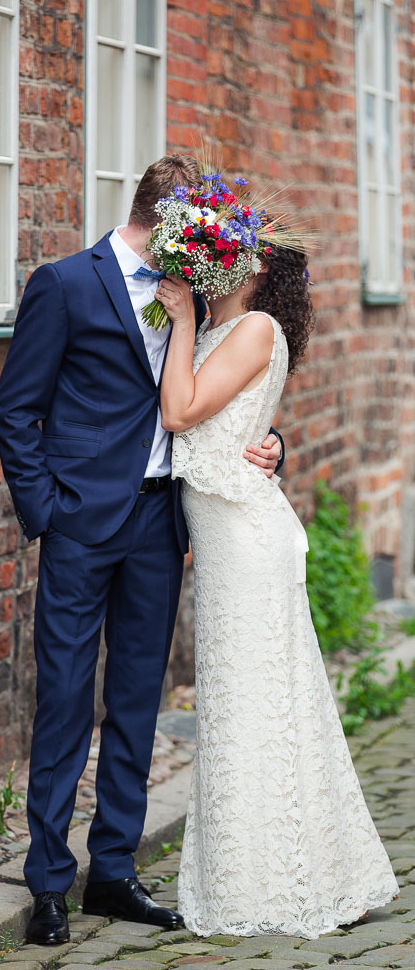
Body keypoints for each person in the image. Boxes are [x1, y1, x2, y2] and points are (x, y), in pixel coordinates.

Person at [0, 155, 284, 946]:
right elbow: (16, 410)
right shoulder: (64, 284)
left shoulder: (194, 290)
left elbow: (234, 393)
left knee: (135, 702)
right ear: (166, 221)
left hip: (162, 525)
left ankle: (112, 872)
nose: (212, 255)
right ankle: (49, 880)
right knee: (62, 699)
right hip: (82, 526)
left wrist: (272, 444)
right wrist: (48, 512)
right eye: (200, 236)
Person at [154, 246, 399, 939]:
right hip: (228, 534)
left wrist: (176, 323)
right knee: (244, 701)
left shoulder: (255, 328)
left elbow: (179, 411)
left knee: (260, 700)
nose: (207, 268)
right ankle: (263, 868)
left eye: (225, 255)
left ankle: (290, 874)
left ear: (258, 271)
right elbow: (223, 424)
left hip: (246, 541)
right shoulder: (216, 328)